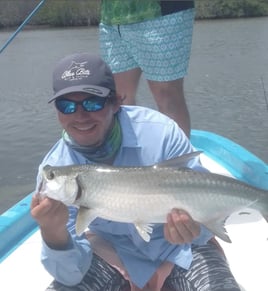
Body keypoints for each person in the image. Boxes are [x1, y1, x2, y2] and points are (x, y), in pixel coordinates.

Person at [31, 53, 240, 291]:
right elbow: (70, 275)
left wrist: (194, 230)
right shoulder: (57, 167)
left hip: (182, 248)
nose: (80, 116)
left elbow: (204, 202)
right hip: (113, 252)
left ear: (116, 102)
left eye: (93, 102)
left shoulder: (161, 134)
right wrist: (53, 233)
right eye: (66, 105)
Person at [99, 0, 195, 138]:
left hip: (160, 13)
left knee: (167, 96)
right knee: (119, 97)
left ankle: (178, 157)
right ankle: (129, 151)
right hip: (112, 15)